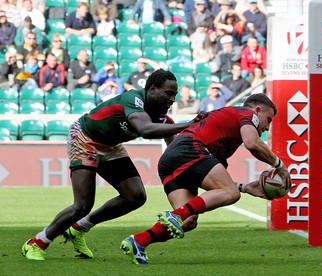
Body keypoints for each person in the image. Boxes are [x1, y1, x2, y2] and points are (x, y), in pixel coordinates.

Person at [21, 69, 207, 261]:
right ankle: (37, 242)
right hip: (85, 137)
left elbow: (173, 147)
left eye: (175, 94)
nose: (173, 99)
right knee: (82, 205)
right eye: (169, 93)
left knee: (135, 196)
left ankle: (79, 228)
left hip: (110, 146)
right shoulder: (133, 99)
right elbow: (145, 129)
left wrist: (188, 174)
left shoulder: (161, 117)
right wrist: (187, 124)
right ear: (152, 89)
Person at [120, 93, 292, 265]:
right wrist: (280, 165)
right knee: (227, 195)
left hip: (170, 159)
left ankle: (139, 241)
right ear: (257, 110)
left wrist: (244, 187)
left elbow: (214, 185)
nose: (267, 127)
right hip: (189, 147)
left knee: (188, 221)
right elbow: (252, 143)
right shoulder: (246, 114)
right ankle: (175, 216)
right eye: (268, 119)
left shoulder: (225, 136)